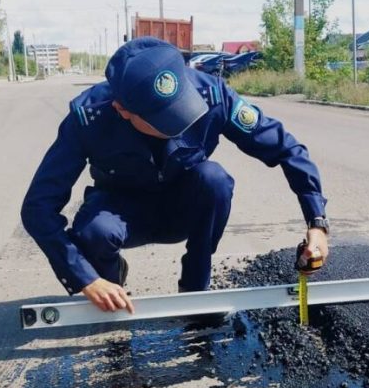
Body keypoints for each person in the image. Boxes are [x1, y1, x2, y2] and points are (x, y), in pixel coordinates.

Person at [21, 37, 329, 314]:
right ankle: (111, 286)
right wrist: (85, 278)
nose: (178, 125)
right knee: (94, 232)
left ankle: (195, 287)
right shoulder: (89, 118)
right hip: (122, 211)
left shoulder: (212, 94)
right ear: (122, 109)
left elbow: (286, 148)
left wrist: (317, 224)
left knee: (215, 180)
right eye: (164, 120)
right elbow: (38, 208)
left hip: (185, 206)